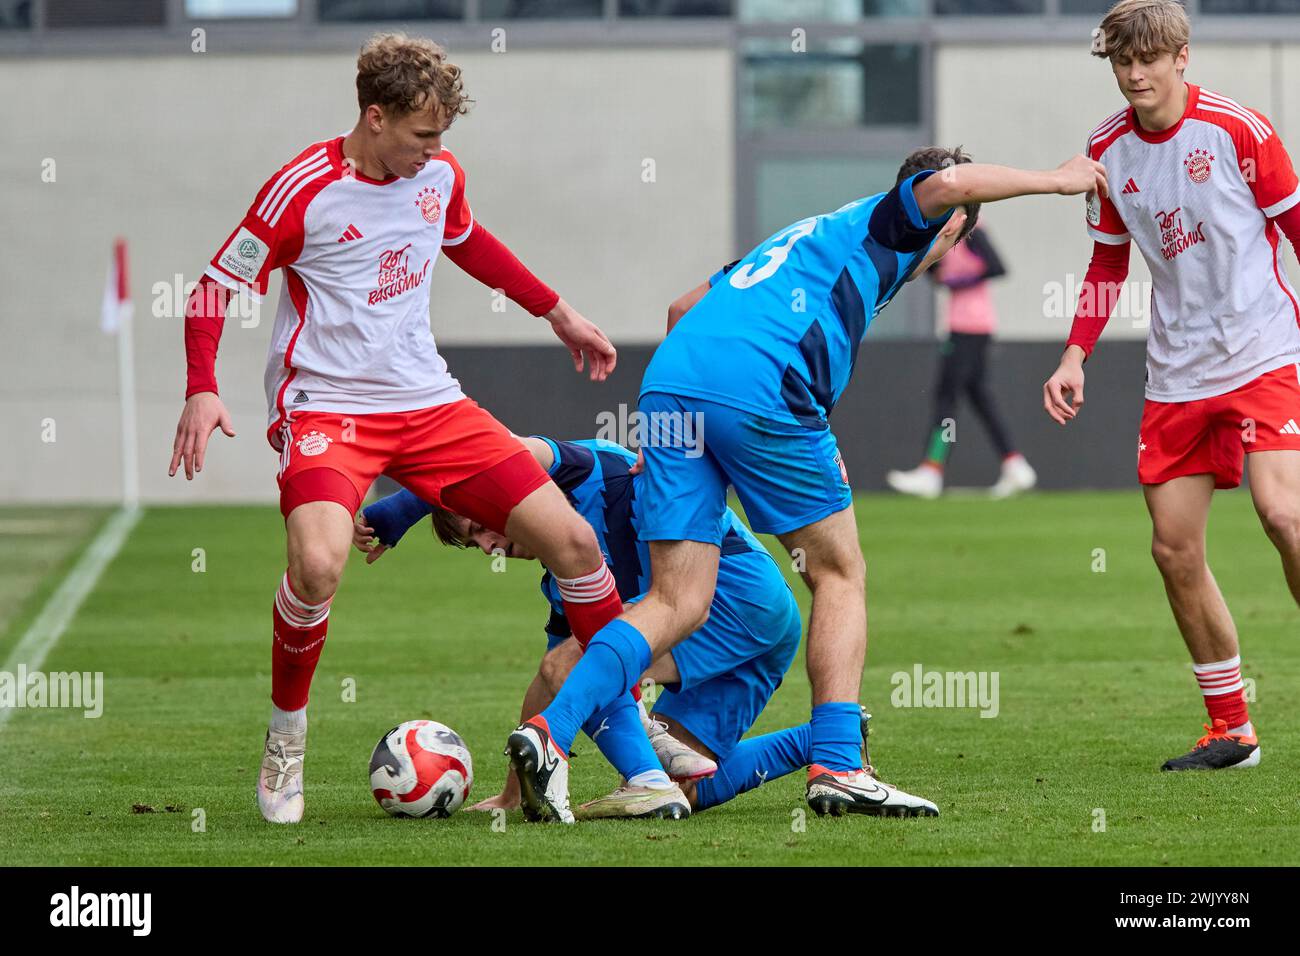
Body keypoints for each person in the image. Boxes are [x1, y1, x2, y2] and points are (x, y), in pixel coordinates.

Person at [506, 146, 1108, 823]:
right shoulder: (897, 222)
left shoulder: (810, 234)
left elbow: (681, 309)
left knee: (678, 598)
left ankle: (548, 733)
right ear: (951, 229)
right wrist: (1059, 181)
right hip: (762, 390)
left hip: (673, 384)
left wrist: (714, 439)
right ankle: (840, 765)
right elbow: (953, 182)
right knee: (838, 573)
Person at [168, 33, 623, 823]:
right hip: (326, 409)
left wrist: (560, 313)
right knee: (318, 565)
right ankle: (286, 736)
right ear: (374, 118)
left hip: (429, 405)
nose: (435, 153)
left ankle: (624, 716)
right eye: (422, 136)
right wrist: (201, 388)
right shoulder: (300, 191)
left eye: (443, 137)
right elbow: (213, 286)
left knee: (577, 544)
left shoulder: (439, 176)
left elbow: (469, 242)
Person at [354, 435, 938, 820]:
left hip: (734, 594)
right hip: (766, 631)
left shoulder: (575, 472)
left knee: (575, 666)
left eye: (480, 525)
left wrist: (400, 508)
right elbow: (546, 682)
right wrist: (512, 790)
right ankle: (822, 741)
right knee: (689, 784)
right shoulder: (562, 573)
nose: (488, 545)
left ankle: (643, 778)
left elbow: (500, 451)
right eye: (472, 543)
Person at [1044, 0, 1300, 771]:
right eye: (1122, 62)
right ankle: (1231, 730)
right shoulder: (1105, 150)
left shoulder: (1240, 129)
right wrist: (1073, 355)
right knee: (1173, 550)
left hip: (1264, 354)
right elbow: (1107, 264)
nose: (1134, 75)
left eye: (1148, 59)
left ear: (1182, 56)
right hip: (1178, 374)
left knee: (1284, 515)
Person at [886, 225, 1037, 498]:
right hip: (965, 326)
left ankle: (932, 470)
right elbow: (931, 274)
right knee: (979, 396)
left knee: (947, 397)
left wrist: (957, 281)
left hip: (970, 328)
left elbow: (997, 267)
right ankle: (1014, 463)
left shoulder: (974, 234)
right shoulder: (942, 238)